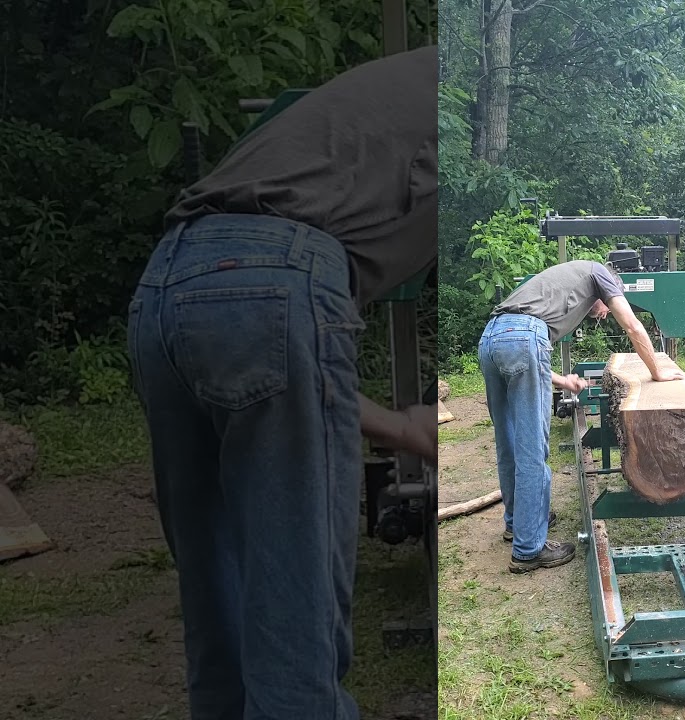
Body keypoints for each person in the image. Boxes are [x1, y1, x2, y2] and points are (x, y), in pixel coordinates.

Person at [125, 46, 438, 720]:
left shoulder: (414, 86)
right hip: (280, 279)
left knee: (224, 611)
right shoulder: (484, 103)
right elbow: (276, 309)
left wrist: (400, 426)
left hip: (163, 287)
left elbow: (270, 345)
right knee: (295, 626)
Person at [479, 259, 684, 573]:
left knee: (508, 444)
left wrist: (563, 381)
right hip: (522, 339)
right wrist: (657, 371)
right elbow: (632, 326)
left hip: (490, 339)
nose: (604, 314)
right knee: (532, 448)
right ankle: (528, 549)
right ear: (609, 289)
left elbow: (518, 347)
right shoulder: (600, 272)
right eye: (606, 306)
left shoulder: (559, 287)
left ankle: (517, 523)